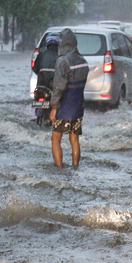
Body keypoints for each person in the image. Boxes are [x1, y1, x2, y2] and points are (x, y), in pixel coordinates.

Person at [49, 28, 89, 169]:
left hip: (64, 107)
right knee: (74, 138)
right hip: (78, 106)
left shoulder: (62, 62)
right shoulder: (83, 61)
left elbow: (59, 87)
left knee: (55, 138)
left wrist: (54, 108)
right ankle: (75, 167)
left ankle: (59, 169)